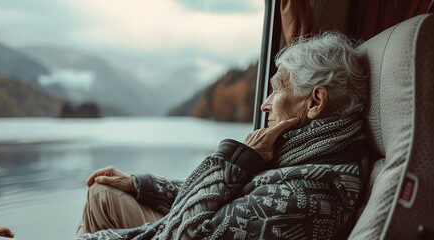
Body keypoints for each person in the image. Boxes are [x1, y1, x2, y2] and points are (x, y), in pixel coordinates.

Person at [75, 31, 370, 240]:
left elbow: (186, 233)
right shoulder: (307, 152)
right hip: (197, 227)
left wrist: (234, 161)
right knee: (104, 194)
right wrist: (144, 186)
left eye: (279, 88)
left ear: (316, 102)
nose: (265, 104)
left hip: (188, 233)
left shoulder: (315, 193)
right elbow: (228, 200)